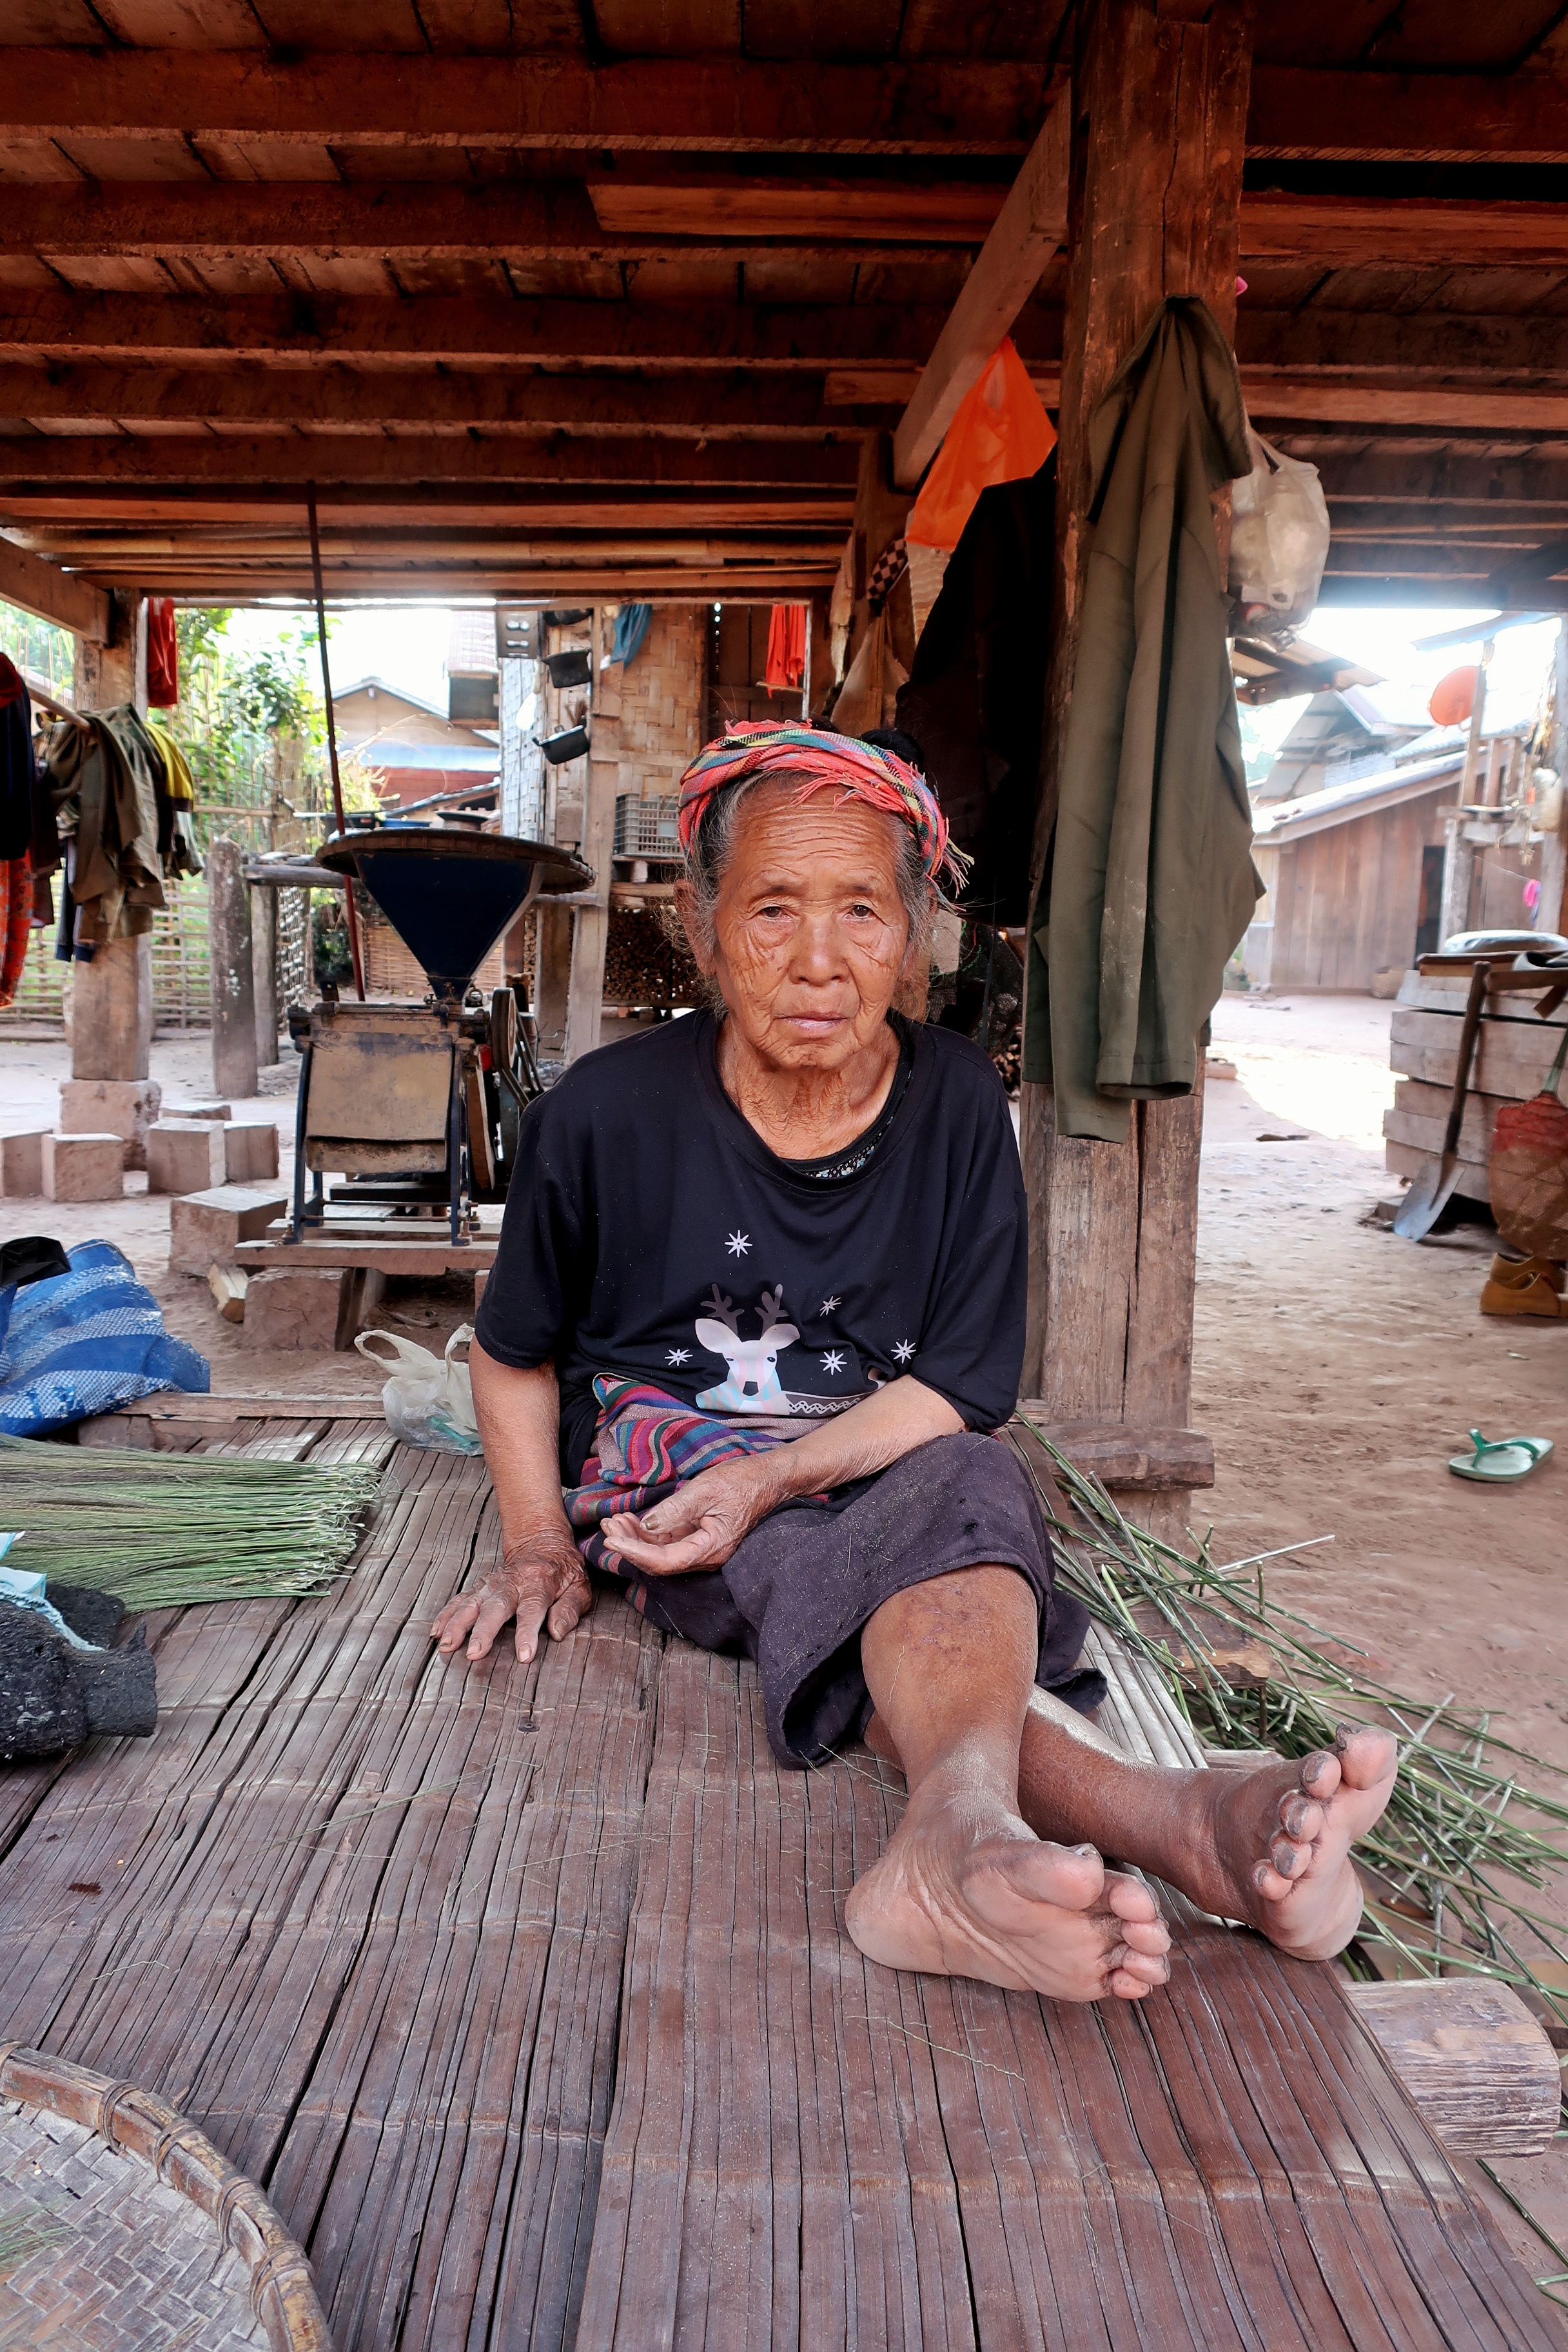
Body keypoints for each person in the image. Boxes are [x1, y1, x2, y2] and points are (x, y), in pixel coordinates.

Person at [435, 720, 1396, 2002]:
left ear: (916, 928)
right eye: (772, 909)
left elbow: (957, 1391)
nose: (820, 962)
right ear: (700, 917)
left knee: (964, 1489)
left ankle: (993, 1841)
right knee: (860, 1548)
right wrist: (538, 1542)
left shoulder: (951, 1101)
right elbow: (511, 1357)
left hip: (883, 1453)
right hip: (680, 1469)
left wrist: (784, 1476)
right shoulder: (603, 1115)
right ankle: (1180, 1823)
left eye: (863, 913)